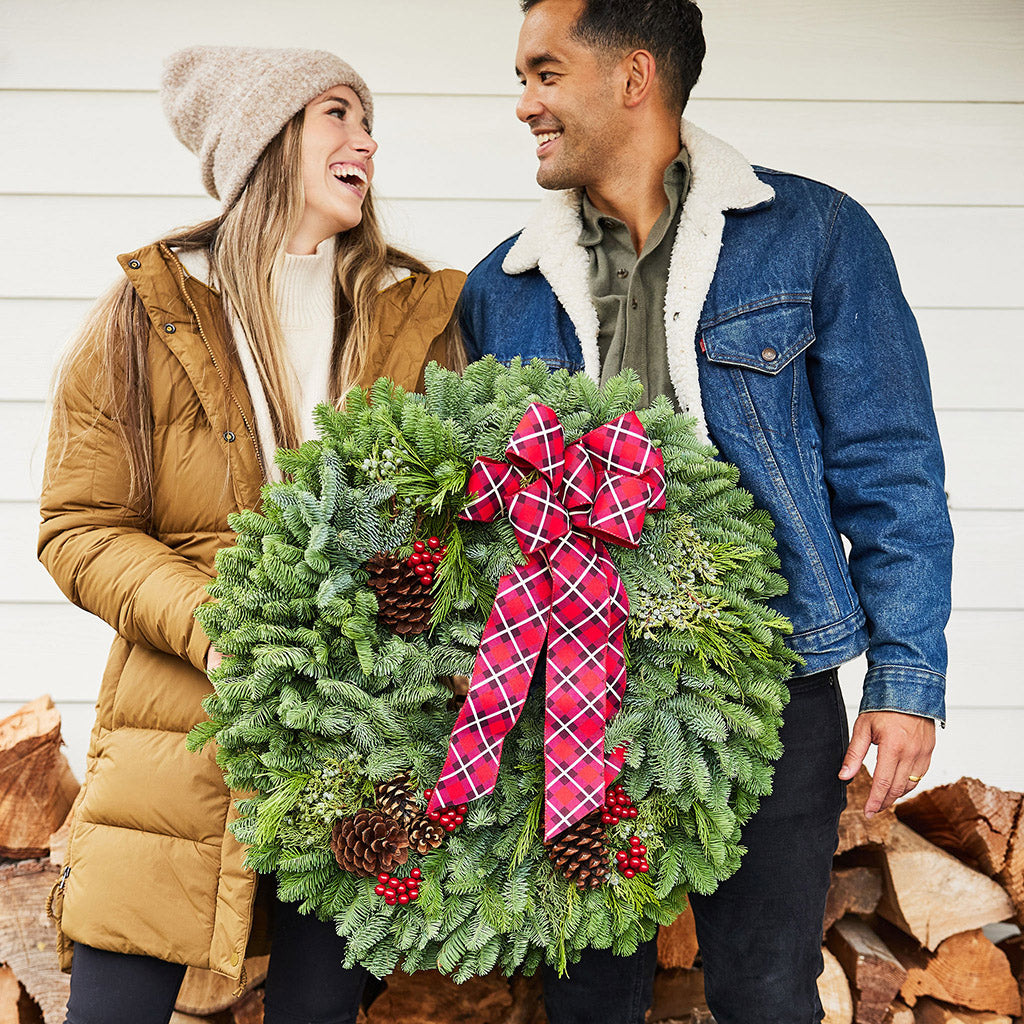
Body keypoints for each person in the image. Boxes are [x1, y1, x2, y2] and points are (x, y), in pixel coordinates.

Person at [457, 1, 954, 1021]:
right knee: (585, 997)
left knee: (765, 991)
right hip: (568, 687)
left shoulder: (814, 236)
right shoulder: (498, 289)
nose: (523, 105)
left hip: (771, 677)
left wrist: (906, 674)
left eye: (544, 74)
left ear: (632, 78)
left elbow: (891, 465)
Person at [39, 46, 464, 1024]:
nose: (366, 139)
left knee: (324, 1007)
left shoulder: (412, 320)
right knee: (115, 1006)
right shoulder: (148, 316)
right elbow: (79, 525)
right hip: (180, 726)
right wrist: (217, 622)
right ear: (265, 141)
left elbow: (459, 521)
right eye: (336, 113)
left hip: (356, 740)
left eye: (368, 118)